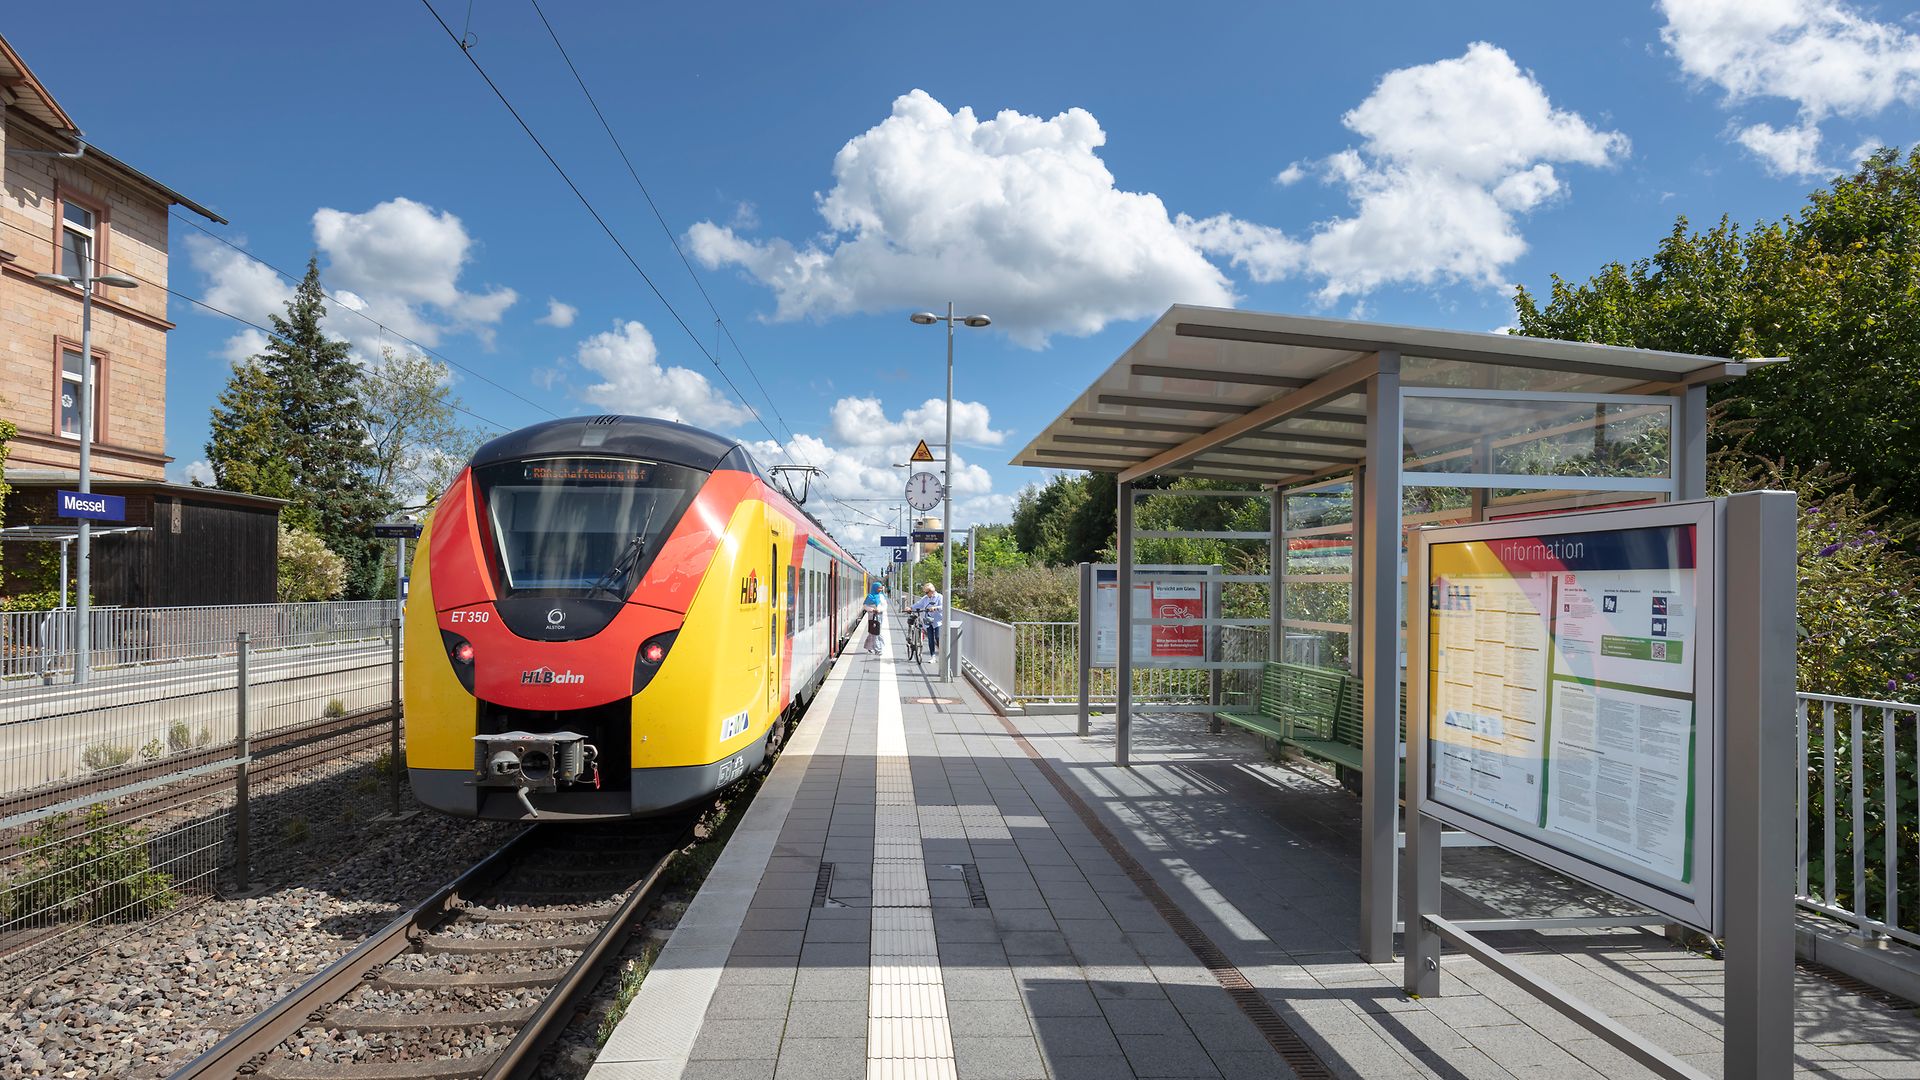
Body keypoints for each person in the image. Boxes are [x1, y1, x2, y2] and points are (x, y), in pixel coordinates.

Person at [910, 582, 944, 657]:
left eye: (927, 592)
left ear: (931, 591)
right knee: (930, 638)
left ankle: (942, 653)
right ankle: (933, 656)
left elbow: (943, 606)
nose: (926, 593)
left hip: (937, 620)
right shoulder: (925, 598)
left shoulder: (939, 597)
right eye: (925, 592)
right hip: (928, 619)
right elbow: (919, 604)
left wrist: (935, 608)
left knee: (938, 637)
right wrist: (911, 607)